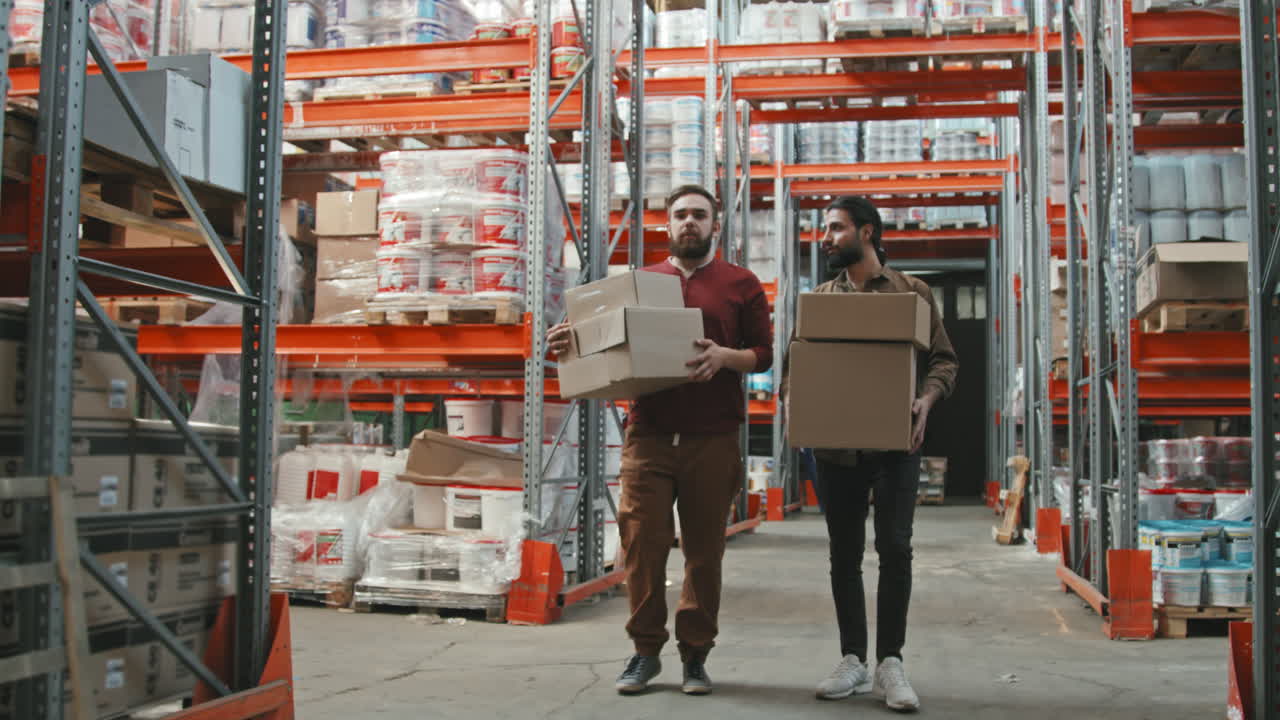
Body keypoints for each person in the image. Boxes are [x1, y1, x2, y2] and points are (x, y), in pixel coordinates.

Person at [547, 184, 774, 697]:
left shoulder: (740, 283)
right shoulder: (638, 283)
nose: (689, 222)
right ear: (665, 226)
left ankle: (695, 657)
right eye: (680, 216)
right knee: (642, 550)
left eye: (699, 215)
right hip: (647, 438)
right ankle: (645, 653)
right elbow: (594, 340)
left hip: (712, 438)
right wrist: (565, 340)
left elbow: (764, 352)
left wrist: (725, 357)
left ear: (715, 225)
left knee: (703, 553)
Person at [782, 195, 957, 713]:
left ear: (867, 232)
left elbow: (944, 361)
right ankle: (853, 659)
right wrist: (795, 400)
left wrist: (926, 399)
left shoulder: (912, 292)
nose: (826, 237)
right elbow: (796, 365)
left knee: (896, 550)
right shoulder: (820, 299)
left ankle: (891, 663)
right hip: (836, 449)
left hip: (895, 445)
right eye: (825, 229)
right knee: (844, 556)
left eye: (835, 228)